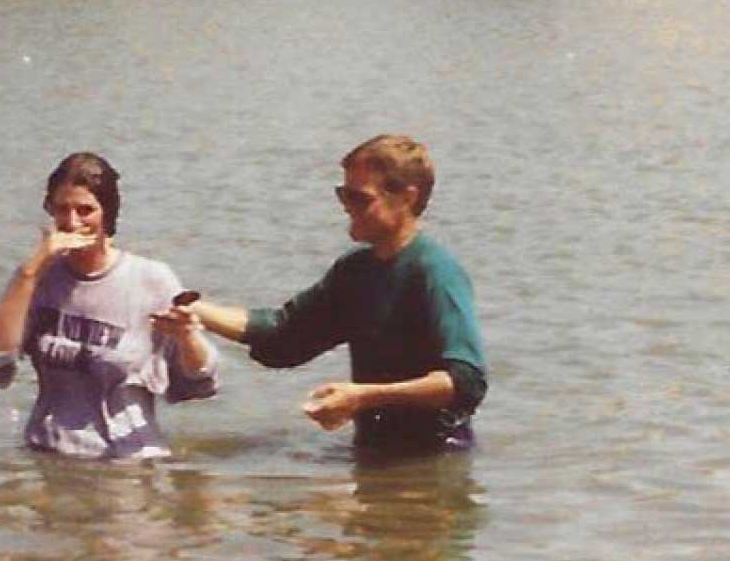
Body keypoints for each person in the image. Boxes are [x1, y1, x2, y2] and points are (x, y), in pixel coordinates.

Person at [153, 135, 487, 454]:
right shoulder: (356, 271)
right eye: (343, 195)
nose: (346, 207)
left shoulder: (436, 272)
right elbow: (283, 335)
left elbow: (465, 382)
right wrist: (187, 306)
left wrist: (362, 397)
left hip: (437, 457)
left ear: (407, 198)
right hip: (373, 454)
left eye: (359, 198)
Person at [0, 152, 219, 460]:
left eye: (85, 210)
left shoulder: (150, 279)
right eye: (61, 209)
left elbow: (200, 383)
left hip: (126, 465)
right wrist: (29, 272)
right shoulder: (38, 278)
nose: (72, 222)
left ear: (108, 213)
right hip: (47, 457)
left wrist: (187, 337)